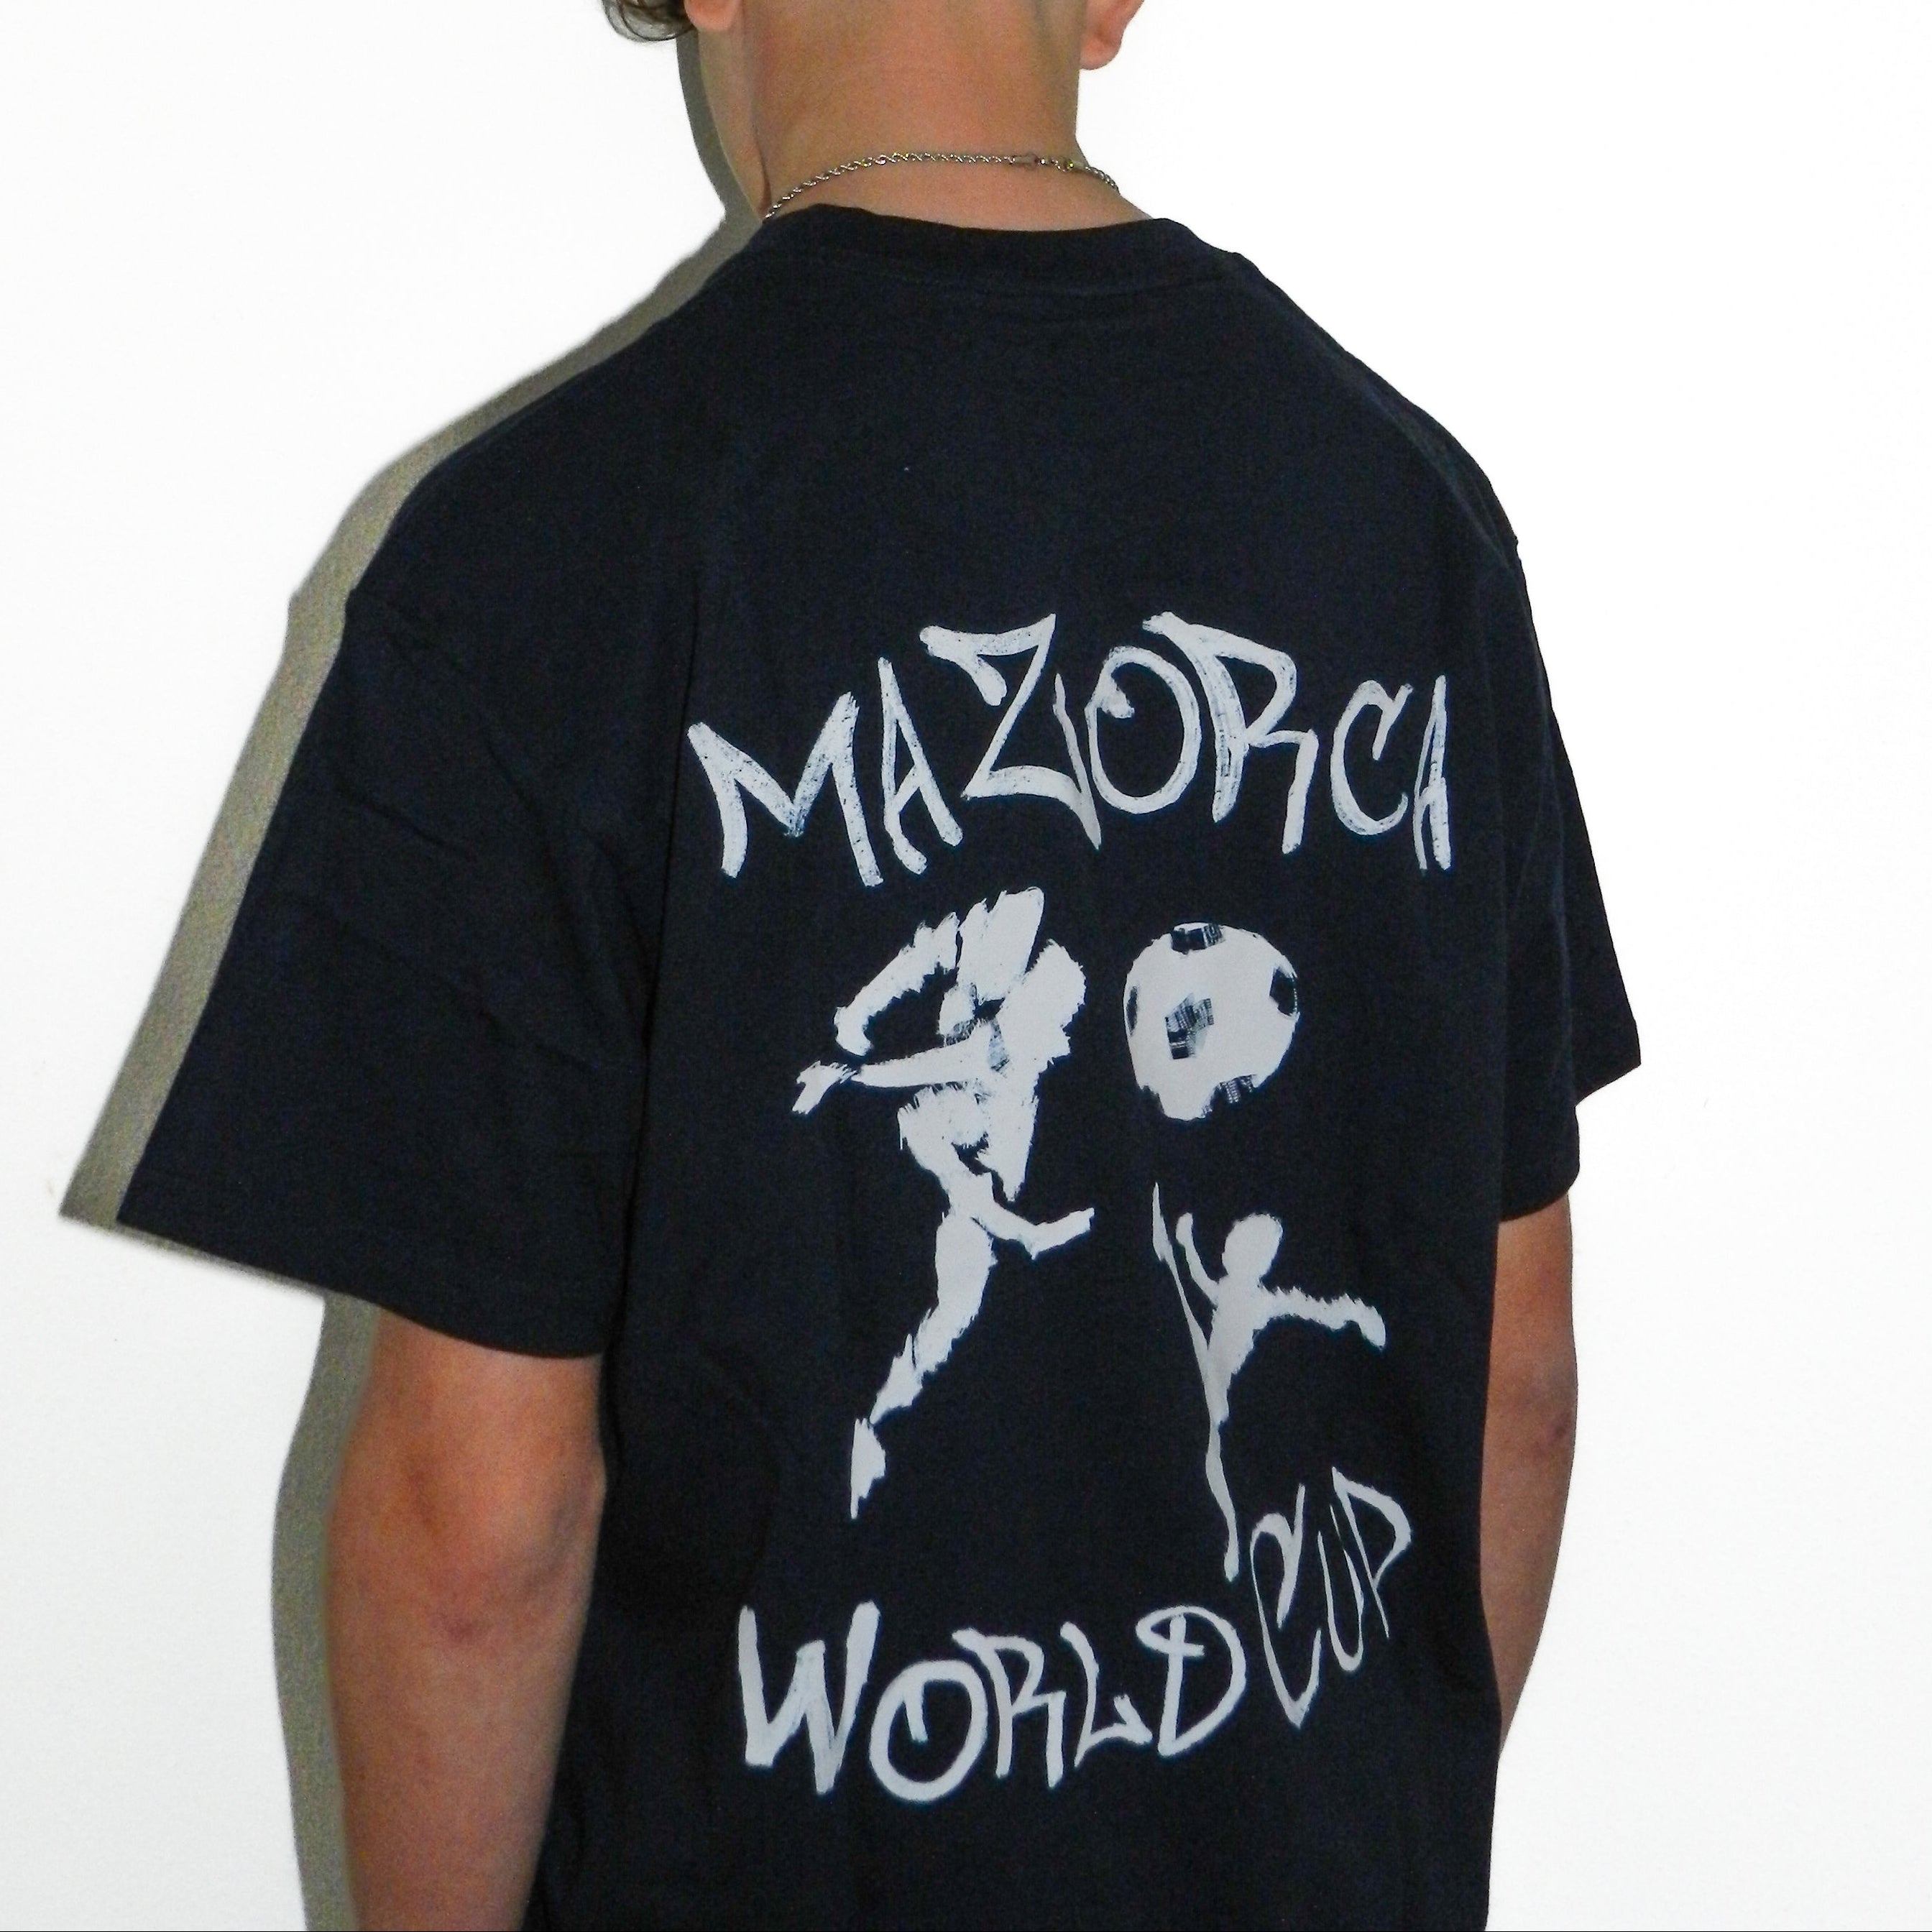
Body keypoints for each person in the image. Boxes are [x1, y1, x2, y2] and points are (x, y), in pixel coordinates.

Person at [116, 0, 1640, 1923]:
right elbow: (1517, 1377)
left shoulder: (537, 554)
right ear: (1112, 0)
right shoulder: (1406, 520)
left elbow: (478, 1527)